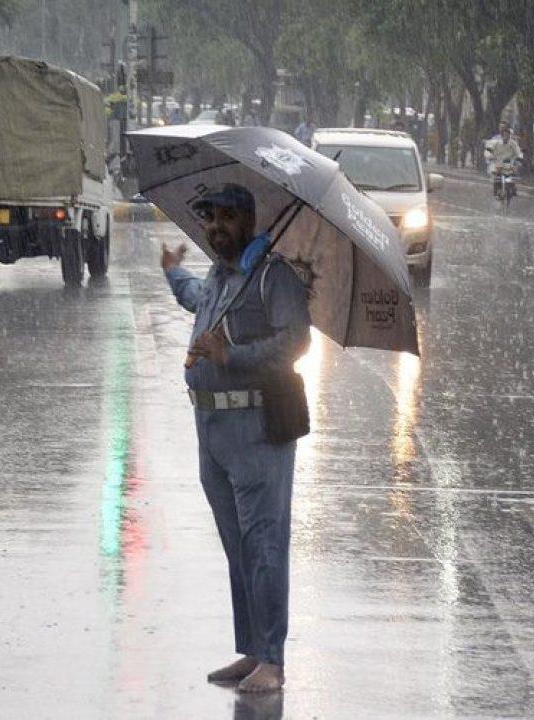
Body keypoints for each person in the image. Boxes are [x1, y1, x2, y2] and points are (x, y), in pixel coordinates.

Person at [159, 183, 311, 694]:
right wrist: (171, 271)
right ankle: (251, 650)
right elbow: (195, 299)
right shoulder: (222, 275)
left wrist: (232, 356)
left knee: (263, 544)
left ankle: (273, 659)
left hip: (255, 429)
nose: (216, 227)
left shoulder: (273, 276)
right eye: (209, 218)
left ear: (249, 222)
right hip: (211, 431)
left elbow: (297, 340)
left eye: (227, 218)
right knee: (237, 547)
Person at [484, 121, 523, 196]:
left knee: (512, 171)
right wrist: (488, 156)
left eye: (504, 127)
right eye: (500, 127)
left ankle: (512, 186)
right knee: (495, 173)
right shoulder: (495, 140)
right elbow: (488, 149)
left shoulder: (513, 141)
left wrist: (520, 157)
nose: (502, 129)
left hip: (509, 162)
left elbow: (518, 151)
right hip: (497, 161)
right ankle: (497, 189)